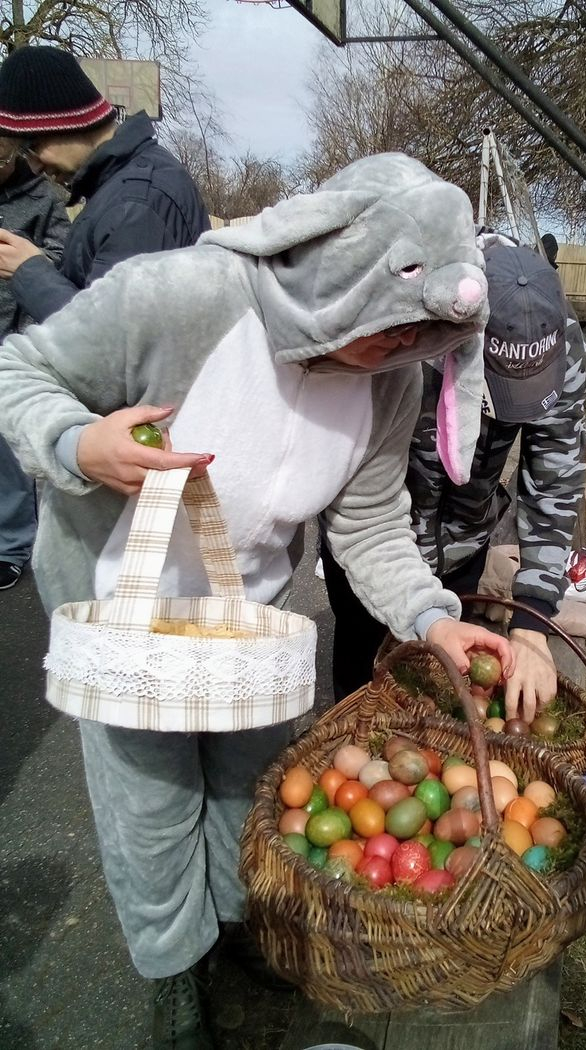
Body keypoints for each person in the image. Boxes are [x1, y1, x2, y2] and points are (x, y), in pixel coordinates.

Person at [0, 152, 513, 1050]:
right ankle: (173, 976)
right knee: (151, 807)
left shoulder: (389, 380)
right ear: (348, 273)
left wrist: (435, 617)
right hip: (124, 609)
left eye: (421, 340)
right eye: (393, 330)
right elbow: (20, 371)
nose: (400, 353)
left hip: (249, 620)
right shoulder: (178, 298)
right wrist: (79, 444)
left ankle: (238, 941)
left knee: (252, 791)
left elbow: (371, 526)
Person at [322, 234, 586, 722]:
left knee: (446, 693)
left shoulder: (562, 343)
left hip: (464, 540)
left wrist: (532, 617)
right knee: (363, 688)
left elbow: (555, 479)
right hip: (375, 547)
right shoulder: (409, 330)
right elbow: (358, 482)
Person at [0, 45, 210, 322]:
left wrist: (29, 272)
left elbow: (110, 343)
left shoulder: (136, 203)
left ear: (66, 124)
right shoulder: (120, 188)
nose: (36, 167)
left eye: (33, 147)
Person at [0, 134, 70, 588]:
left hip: (14, 338)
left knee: (8, 450)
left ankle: (9, 546)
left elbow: (66, 260)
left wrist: (29, 262)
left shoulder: (42, 197)